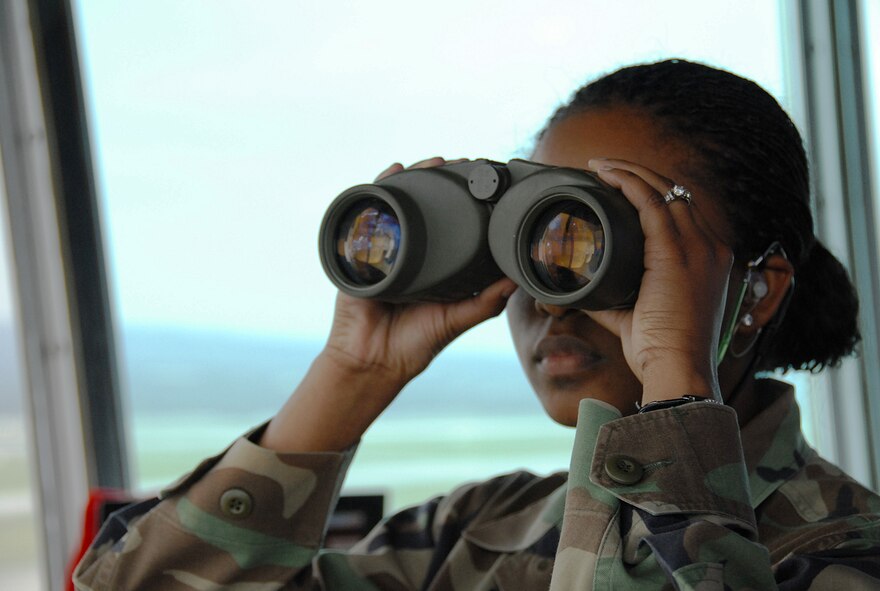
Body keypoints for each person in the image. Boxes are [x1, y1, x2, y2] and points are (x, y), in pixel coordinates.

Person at [74, 60, 880, 590]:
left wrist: (675, 371)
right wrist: (352, 374)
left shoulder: (843, 549)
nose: (553, 298)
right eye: (538, 242)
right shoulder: (477, 534)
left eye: (598, 239)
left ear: (756, 289)